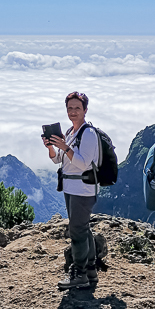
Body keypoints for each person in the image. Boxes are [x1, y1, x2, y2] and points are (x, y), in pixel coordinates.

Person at [43, 92, 101, 290]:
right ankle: (90, 272)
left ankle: (80, 274)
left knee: (77, 231)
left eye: (77, 108)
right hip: (71, 187)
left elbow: (84, 163)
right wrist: (52, 147)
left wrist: (65, 147)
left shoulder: (88, 133)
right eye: (70, 108)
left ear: (85, 110)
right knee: (83, 229)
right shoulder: (69, 132)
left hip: (83, 189)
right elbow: (58, 159)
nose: (73, 112)